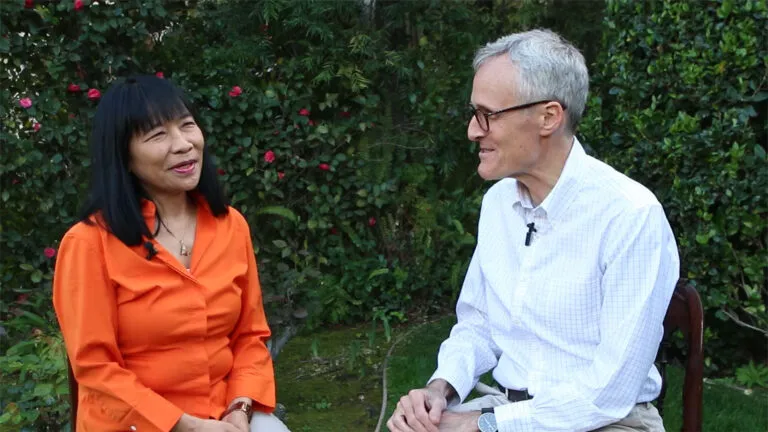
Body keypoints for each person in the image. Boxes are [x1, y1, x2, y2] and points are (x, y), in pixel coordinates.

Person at [387, 29, 679, 432]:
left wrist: (483, 424)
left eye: (487, 114)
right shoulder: (498, 205)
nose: (473, 130)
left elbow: (608, 393)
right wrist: (441, 391)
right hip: (505, 406)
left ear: (548, 117)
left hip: (609, 422)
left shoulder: (630, 216)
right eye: (473, 113)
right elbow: (479, 325)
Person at [53, 75, 291, 432]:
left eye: (187, 126)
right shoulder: (89, 243)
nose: (182, 145)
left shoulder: (230, 226)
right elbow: (95, 367)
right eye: (157, 135)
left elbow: (250, 337)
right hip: (137, 423)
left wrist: (239, 407)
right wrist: (186, 425)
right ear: (124, 156)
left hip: (227, 414)